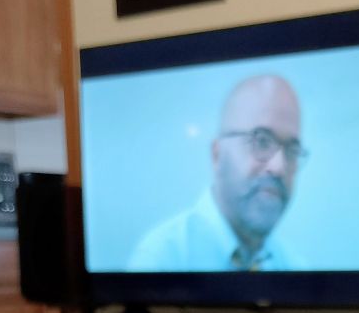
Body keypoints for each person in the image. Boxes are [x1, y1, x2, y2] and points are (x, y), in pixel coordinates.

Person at [128, 75, 306, 272]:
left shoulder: (293, 266)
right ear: (217, 154)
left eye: (292, 150)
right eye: (261, 141)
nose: (279, 166)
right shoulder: (162, 259)